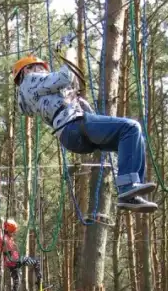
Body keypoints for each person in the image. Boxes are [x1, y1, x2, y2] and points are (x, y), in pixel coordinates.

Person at [14, 43, 158, 213]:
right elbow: (65, 76)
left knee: (132, 139)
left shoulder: (32, 95)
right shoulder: (30, 80)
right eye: (40, 67)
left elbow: (64, 89)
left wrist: (72, 96)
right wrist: (70, 53)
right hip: (73, 125)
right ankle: (128, 186)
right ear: (27, 70)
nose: (44, 71)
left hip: (72, 135)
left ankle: (130, 194)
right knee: (131, 128)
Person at [0, 219, 42, 291]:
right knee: (36, 261)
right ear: (8, 229)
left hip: (11, 263)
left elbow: (0, 245)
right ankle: (39, 280)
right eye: (12, 231)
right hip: (15, 260)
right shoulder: (4, 237)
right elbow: (0, 244)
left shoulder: (5, 236)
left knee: (17, 281)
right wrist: (0, 228)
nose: (13, 233)